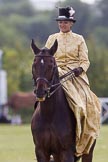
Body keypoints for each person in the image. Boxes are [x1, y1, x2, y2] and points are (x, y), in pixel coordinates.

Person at [45, 7, 101, 157]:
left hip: (74, 75)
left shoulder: (79, 39)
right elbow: (46, 56)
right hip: (56, 73)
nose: (62, 25)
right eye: (60, 22)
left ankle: (83, 135)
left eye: (65, 22)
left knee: (84, 105)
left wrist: (79, 69)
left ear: (71, 24)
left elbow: (85, 61)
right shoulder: (51, 38)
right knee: (42, 95)